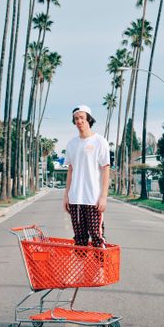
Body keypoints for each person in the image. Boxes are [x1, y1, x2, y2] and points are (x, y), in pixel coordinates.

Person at [63, 105, 110, 247]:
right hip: (75, 199)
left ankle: (102, 269)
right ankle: (84, 269)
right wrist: (66, 196)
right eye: (76, 118)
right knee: (79, 239)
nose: (79, 121)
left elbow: (106, 169)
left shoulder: (99, 141)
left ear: (89, 119)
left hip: (93, 199)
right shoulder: (72, 144)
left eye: (82, 118)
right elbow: (70, 170)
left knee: (97, 237)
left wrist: (103, 196)